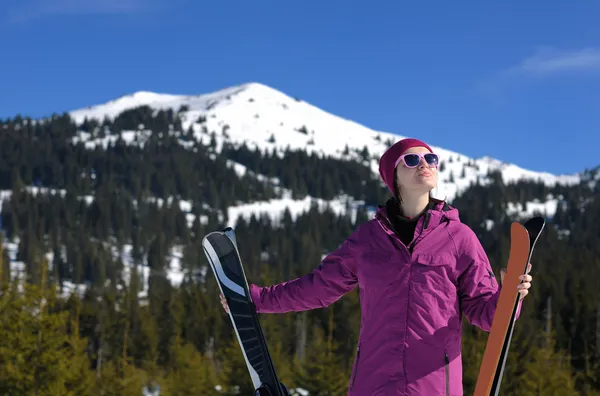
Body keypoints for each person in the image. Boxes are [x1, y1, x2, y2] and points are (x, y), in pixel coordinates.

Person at [219, 138, 533, 396]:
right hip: (373, 385)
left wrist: (509, 296)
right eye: (412, 160)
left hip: (434, 386)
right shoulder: (368, 240)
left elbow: (487, 315)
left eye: (431, 158)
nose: (424, 164)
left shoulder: (459, 238)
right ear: (393, 177)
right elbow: (317, 288)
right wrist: (255, 299)